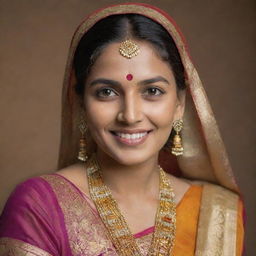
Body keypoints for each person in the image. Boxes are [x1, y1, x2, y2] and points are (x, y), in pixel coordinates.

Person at [0, 3, 244, 256]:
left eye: (152, 91)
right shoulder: (40, 207)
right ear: (81, 104)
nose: (130, 115)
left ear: (180, 105)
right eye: (106, 92)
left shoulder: (217, 213)